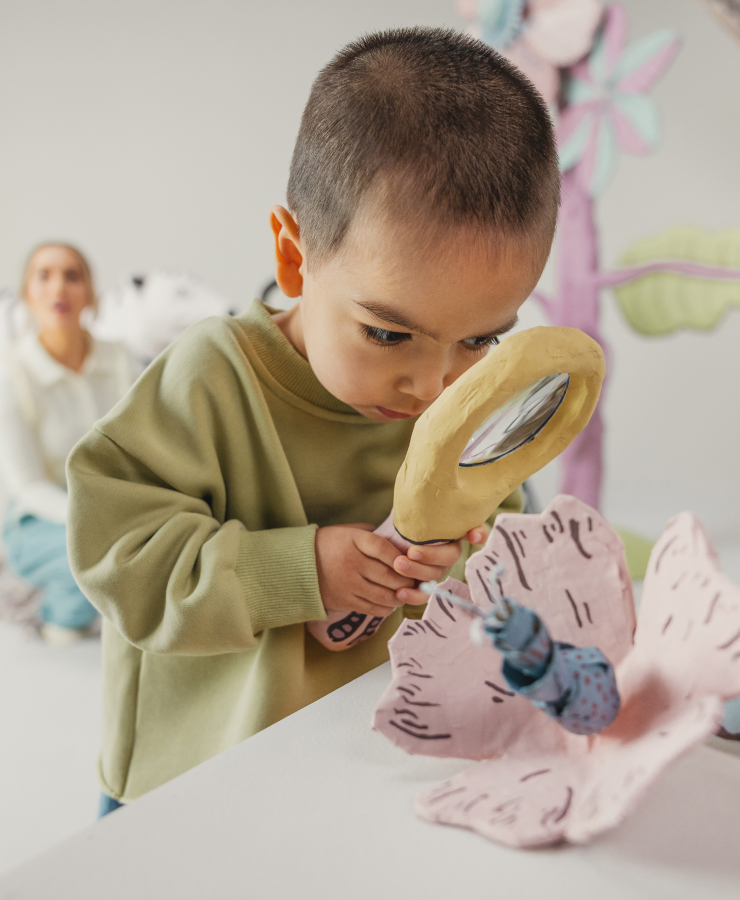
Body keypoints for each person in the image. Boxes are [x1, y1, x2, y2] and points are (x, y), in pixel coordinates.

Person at [66, 27, 561, 812]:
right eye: (389, 333)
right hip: (188, 780)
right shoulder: (212, 378)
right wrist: (301, 571)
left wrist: (458, 561)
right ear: (295, 257)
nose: (430, 384)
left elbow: (496, 556)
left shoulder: (465, 401)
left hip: (354, 776)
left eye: (480, 338)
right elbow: (118, 558)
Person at [0, 244, 137, 644]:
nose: (58, 287)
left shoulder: (120, 360)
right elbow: (26, 486)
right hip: (37, 521)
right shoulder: (11, 375)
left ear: (90, 294)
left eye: (72, 275)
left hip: (113, 512)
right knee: (96, 565)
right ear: (27, 294)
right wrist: (95, 521)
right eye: (44, 275)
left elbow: (139, 449)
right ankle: (54, 619)